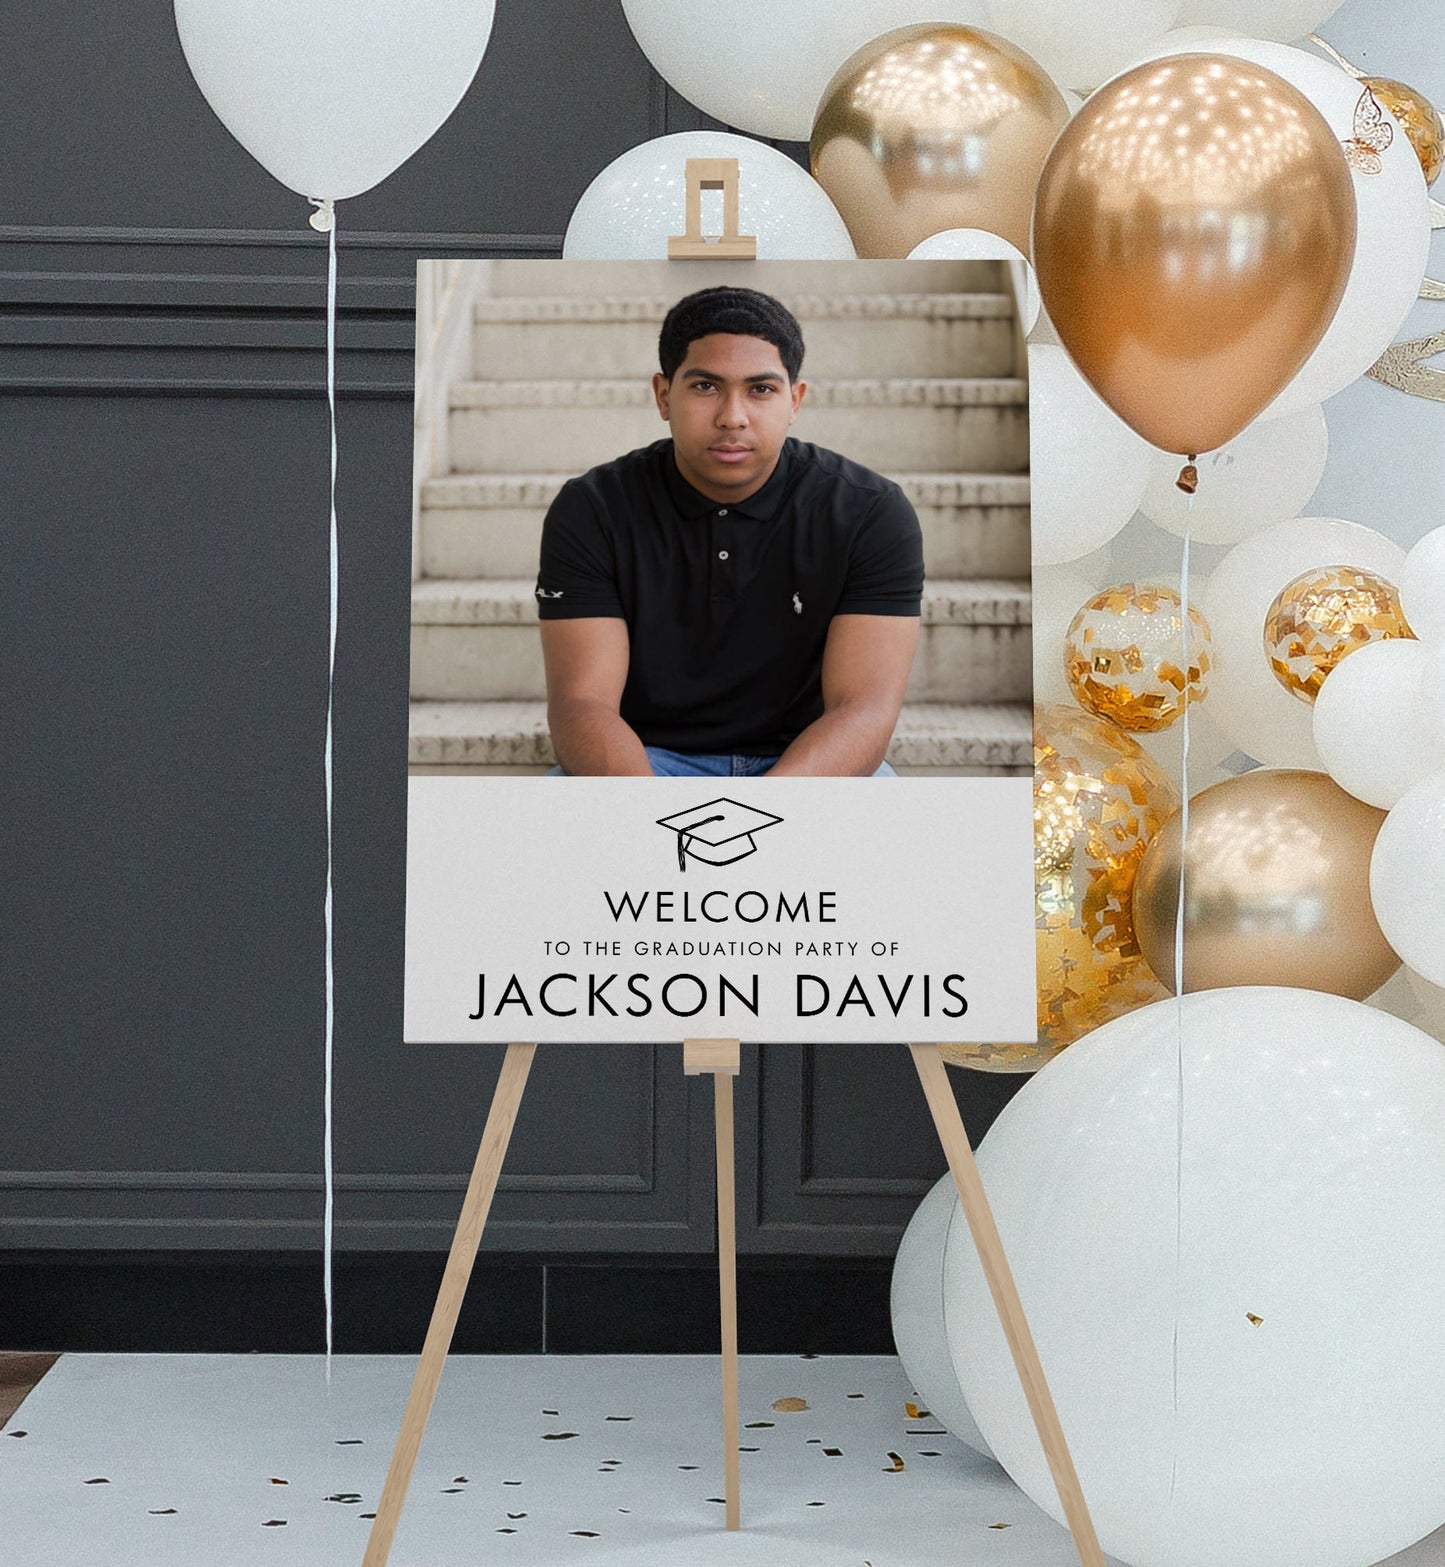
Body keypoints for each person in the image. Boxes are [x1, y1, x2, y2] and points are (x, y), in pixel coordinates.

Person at [536, 285, 923, 777]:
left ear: (795, 400)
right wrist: (648, 812)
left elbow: (862, 710)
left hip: (807, 762)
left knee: (890, 816)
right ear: (663, 395)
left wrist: (762, 813)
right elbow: (582, 704)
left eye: (761, 389)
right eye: (705, 386)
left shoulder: (869, 512)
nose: (732, 418)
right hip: (647, 761)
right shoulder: (592, 509)